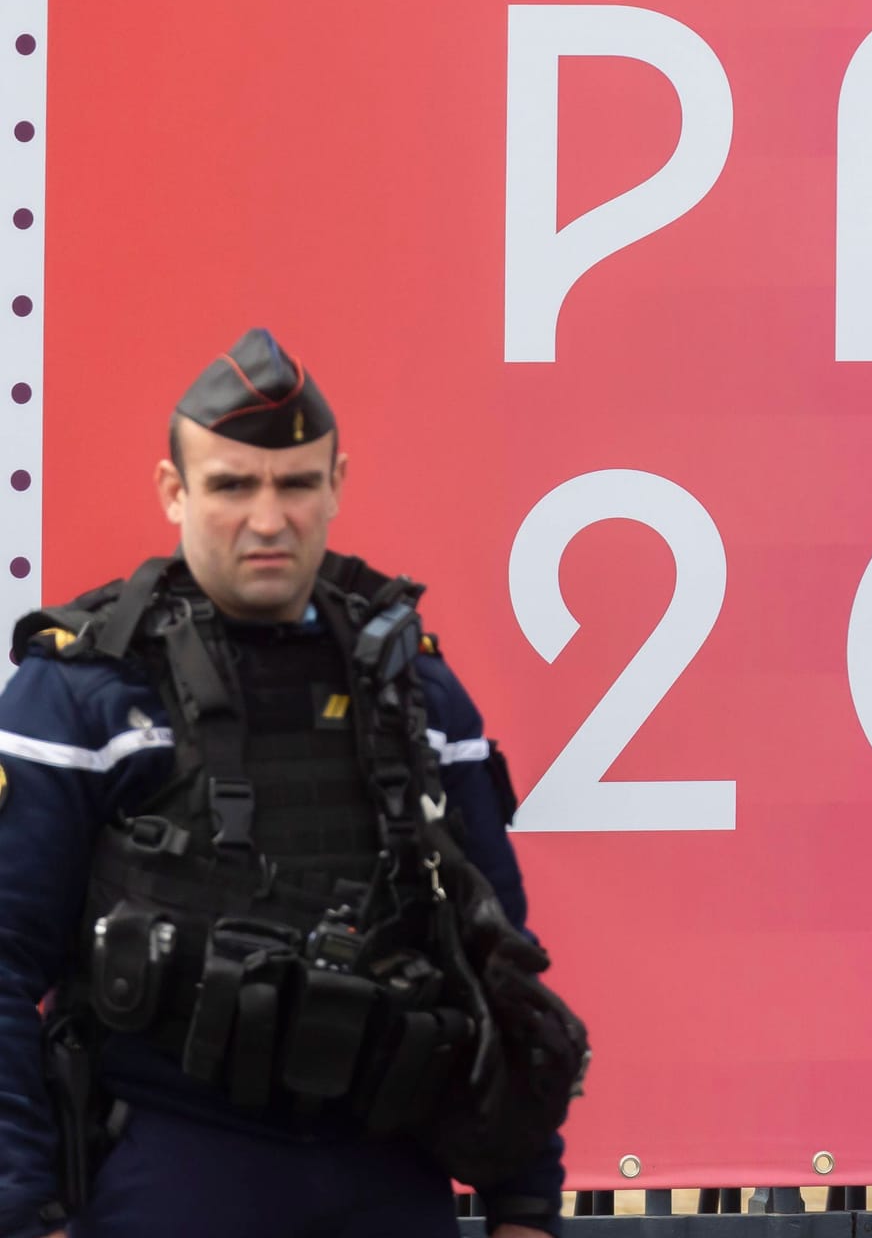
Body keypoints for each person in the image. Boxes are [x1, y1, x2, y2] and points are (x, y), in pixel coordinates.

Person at [0, 331, 582, 1238]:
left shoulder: (414, 689)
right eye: (232, 485)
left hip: (387, 1166)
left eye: (296, 484)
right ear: (173, 490)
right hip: (175, 1162)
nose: (268, 520)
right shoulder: (82, 691)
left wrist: (525, 1207)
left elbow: (498, 957)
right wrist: (22, 1210)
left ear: (338, 484)